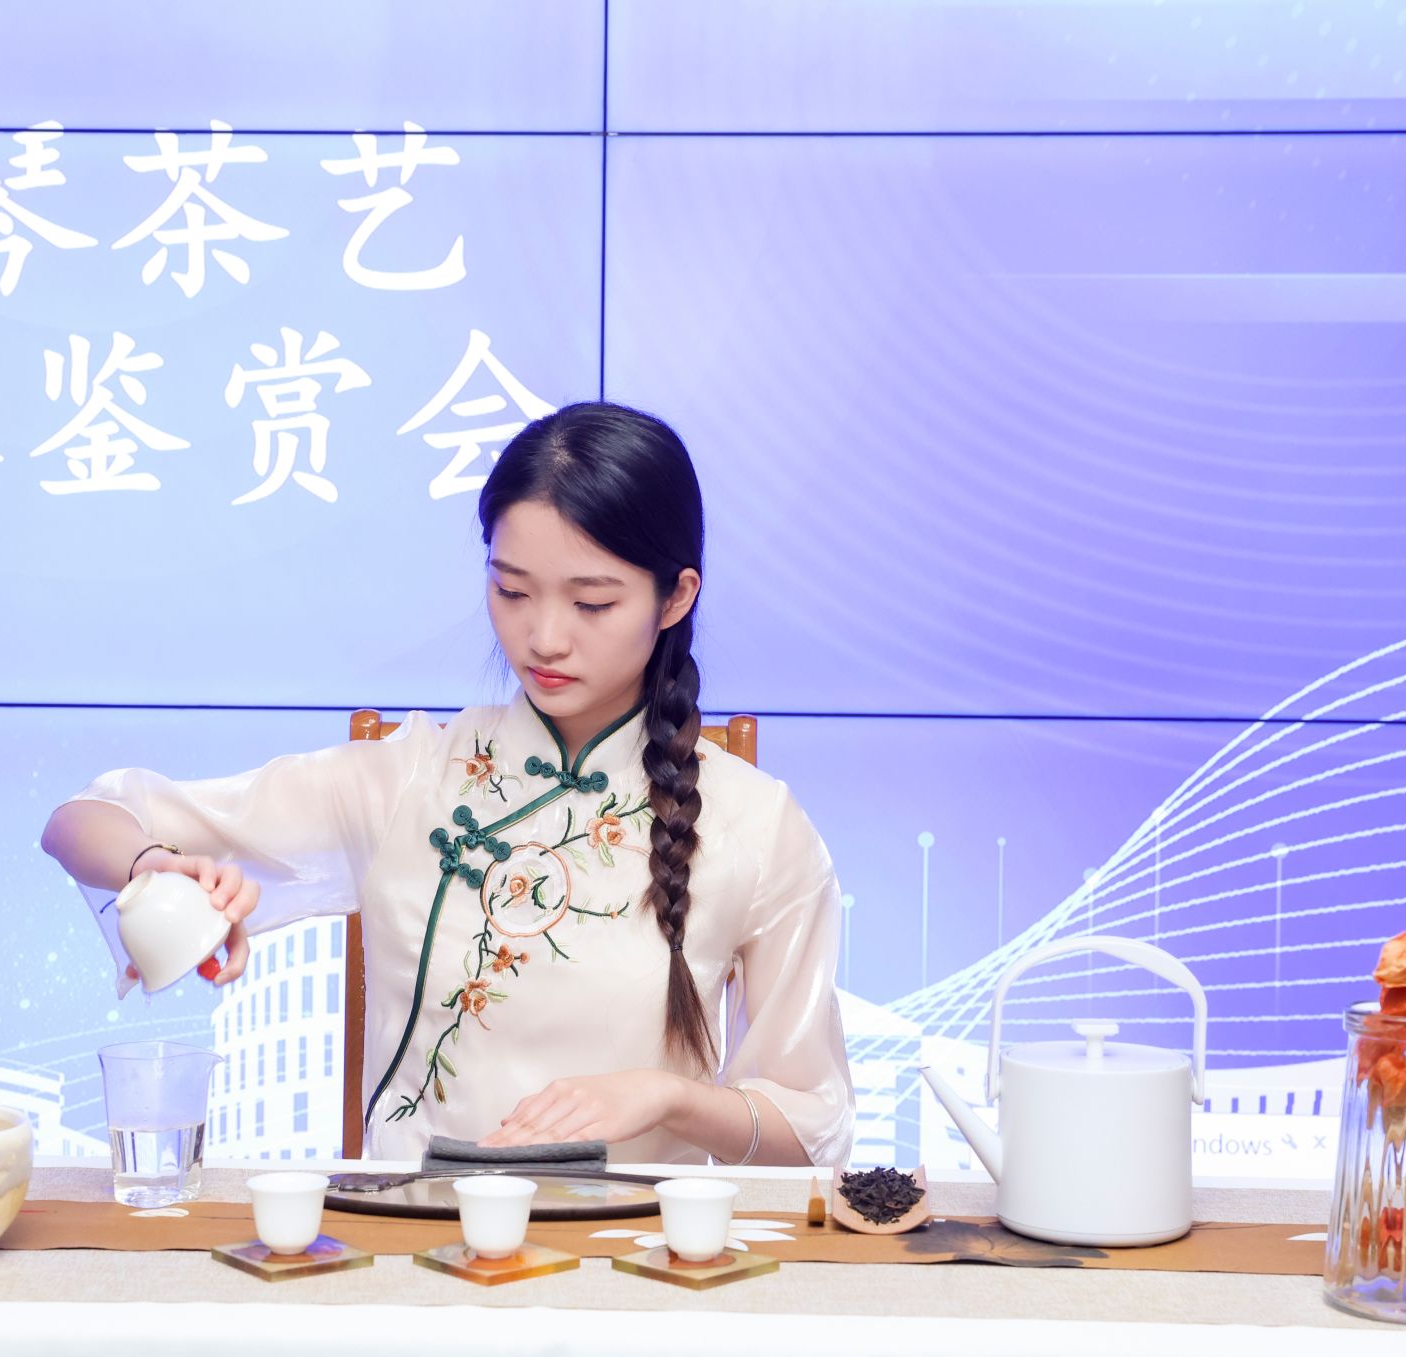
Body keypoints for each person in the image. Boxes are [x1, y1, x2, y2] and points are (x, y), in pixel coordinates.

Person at [41, 401, 853, 1166]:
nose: (544, 637)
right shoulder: (410, 777)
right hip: (408, 1240)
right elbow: (83, 819)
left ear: (675, 596)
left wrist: (669, 1097)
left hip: (634, 1252)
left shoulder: (756, 824)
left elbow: (813, 1130)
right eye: (511, 590)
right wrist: (151, 863)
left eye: (592, 602)